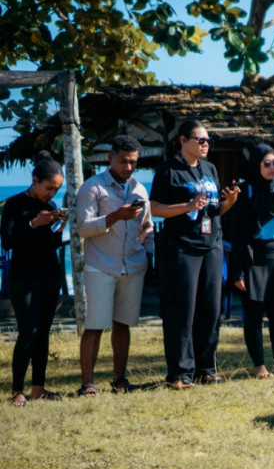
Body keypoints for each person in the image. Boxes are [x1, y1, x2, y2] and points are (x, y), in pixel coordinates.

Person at [150, 120, 240, 389]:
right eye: (200, 140)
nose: (206, 144)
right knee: (182, 310)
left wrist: (229, 202)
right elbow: (155, 208)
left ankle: (206, 368)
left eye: (208, 141)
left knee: (210, 309)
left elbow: (214, 210)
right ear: (183, 140)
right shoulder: (168, 170)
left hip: (211, 246)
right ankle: (180, 373)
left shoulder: (209, 169)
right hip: (181, 247)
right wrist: (187, 206)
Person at [75, 136, 154, 397]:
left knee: (123, 325)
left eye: (133, 162)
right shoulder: (92, 188)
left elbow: (147, 227)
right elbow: (83, 228)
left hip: (133, 265)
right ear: (110, 158)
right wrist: (115, 216)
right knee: (95, 326)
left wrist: (149, 253)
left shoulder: (139, 190)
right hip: (101, 264)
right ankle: (88, 384)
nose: (128, 167)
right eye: (123, 161)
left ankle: (120, 380)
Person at [229, 144, 274, 380]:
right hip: (254, 256)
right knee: (253, 314)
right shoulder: (246, 190)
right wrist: (237, 271)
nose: (272, 168)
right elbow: (236, 232)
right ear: (256, 164)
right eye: (267, 163)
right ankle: (259, 365)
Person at [2, 152, 67, 406]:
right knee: (28, 331)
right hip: (23, 276)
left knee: (43, 332)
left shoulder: (50, 207)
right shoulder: (14, 204)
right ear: (35, 180)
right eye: (49, 187)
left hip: (49, 274)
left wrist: (59, 227)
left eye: (56, 189)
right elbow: (8, 242)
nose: (52, 193)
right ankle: (17, 390)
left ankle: (38, 387)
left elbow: (50, 245)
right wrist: (33, 224)